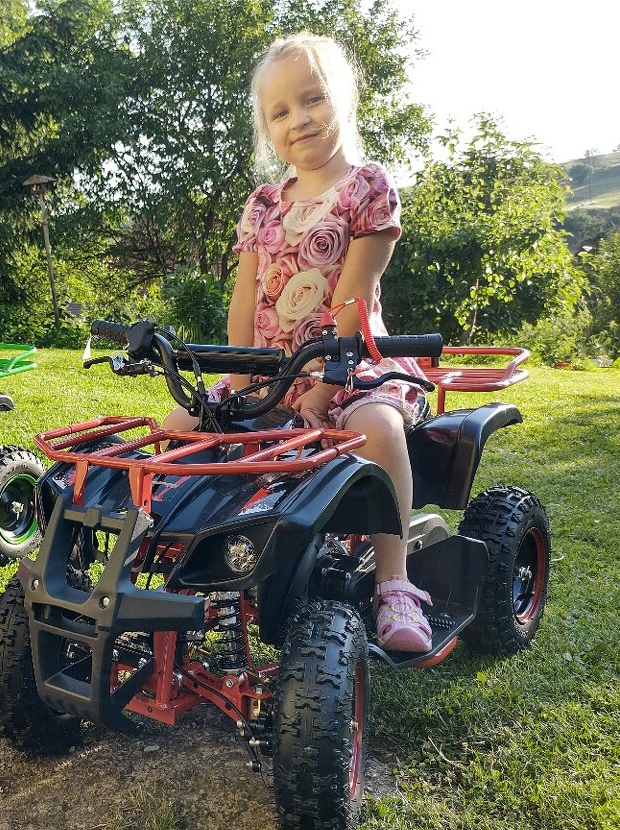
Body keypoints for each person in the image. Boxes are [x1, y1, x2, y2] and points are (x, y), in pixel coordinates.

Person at [164, 33, 433, 651]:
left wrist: (327, 383)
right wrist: (238, 379)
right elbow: (244, 299)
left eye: (312, 100)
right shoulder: (262, 204)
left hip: (349, 365)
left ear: (343, 100)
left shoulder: (365, 189)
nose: (299, 119)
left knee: (379, 431)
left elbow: (354, 298)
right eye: (280, 112)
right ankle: (180, 564)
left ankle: (395, 583)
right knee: (179, 425)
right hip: (271, 372)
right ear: (267, 130)